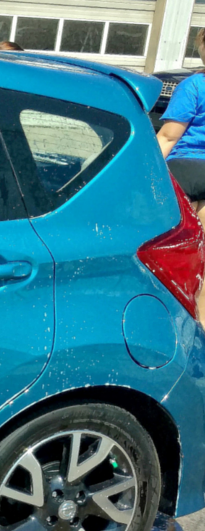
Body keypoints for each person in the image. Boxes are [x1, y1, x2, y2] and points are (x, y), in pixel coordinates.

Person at [157, 26, 205, 321]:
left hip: (186, 170)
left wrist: (146, 176)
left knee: (178, 259)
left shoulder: (194, 86)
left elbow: (168, 137)